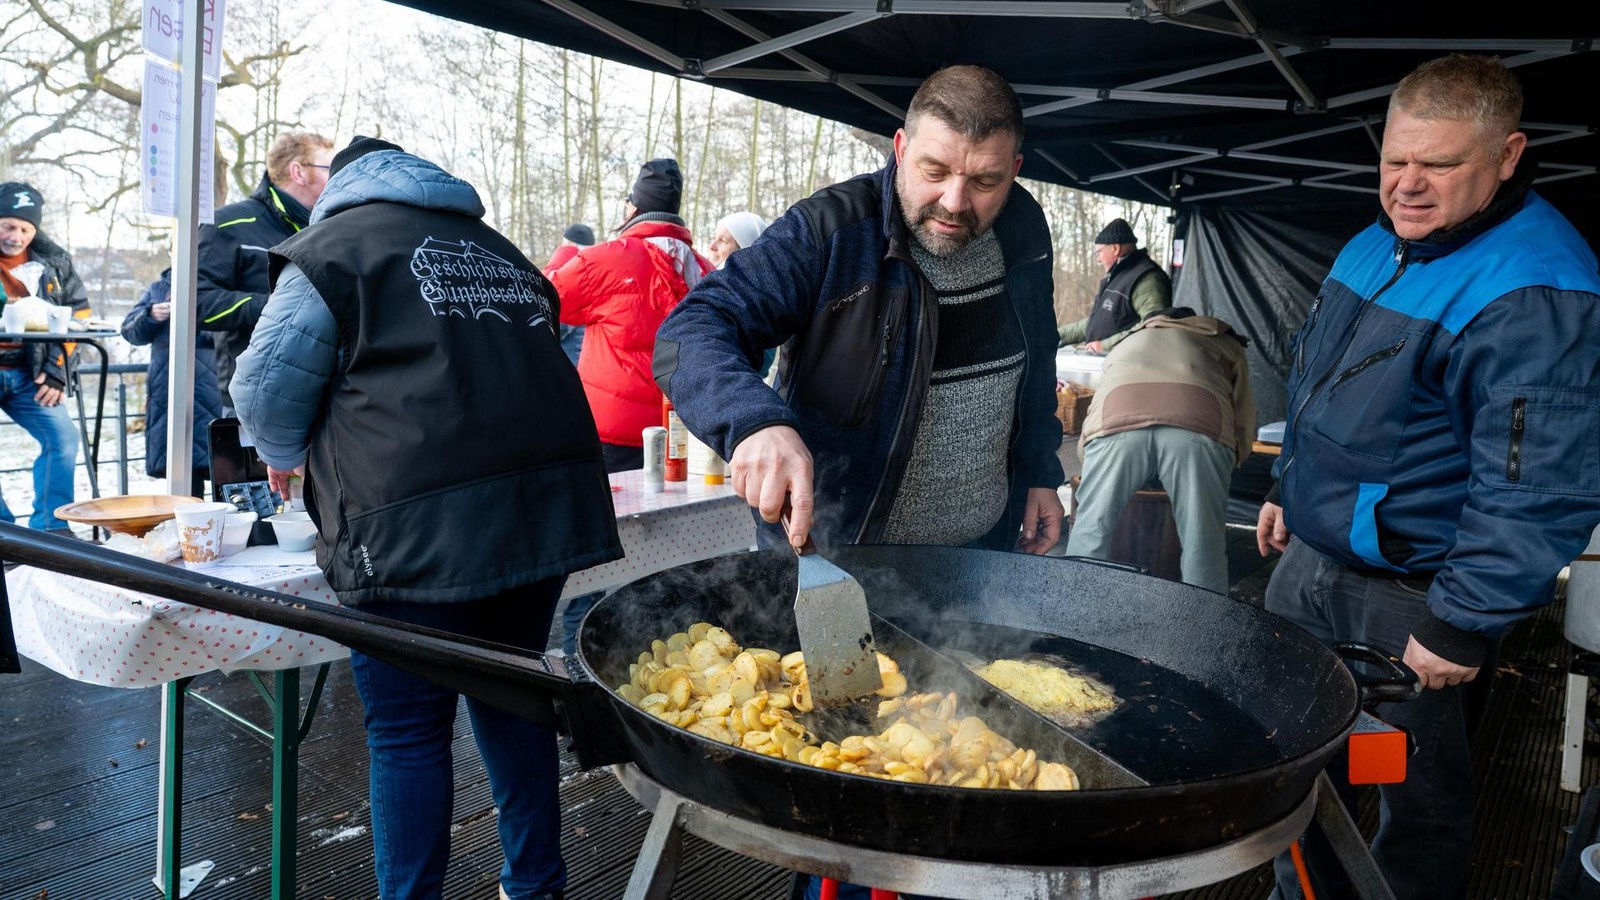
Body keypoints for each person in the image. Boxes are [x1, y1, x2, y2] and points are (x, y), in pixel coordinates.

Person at [232, 136, 622, 900]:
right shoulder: (499, 250)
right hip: (538, 514)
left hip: (405, 528)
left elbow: (264, 391)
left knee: (408, 732)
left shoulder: (333, 248)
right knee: (515, 700)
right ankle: (537, 886)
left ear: (343, 186)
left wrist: (285, 451)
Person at [1255, 54, 1600, 900]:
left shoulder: (1539, 285)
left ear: (1508, 155)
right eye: (1394, 160)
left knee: (1413, 797)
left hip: (1414, 595)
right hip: (1313, 564)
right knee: (1288, 762)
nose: (1407, 185)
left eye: (1439, 165)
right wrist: (1286, 489)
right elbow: (1318, 384)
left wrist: (1463, 619)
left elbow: (1539, 480)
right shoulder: (1379, 243)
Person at [1063, 307, 1254, 594]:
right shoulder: (1224, 342)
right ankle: (1204, 629)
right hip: (1198, 429)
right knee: (1202, 543)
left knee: (1091, 531)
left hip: (1116, 426)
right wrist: (1233, 460)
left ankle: (1069, 617)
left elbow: (1097, 411)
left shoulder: (1126, 343)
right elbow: (1244, 415)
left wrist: (1088, 464)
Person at [547, 158, 712, 472]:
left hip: (612, 434)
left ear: (633, 208)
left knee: (614, 519)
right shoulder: (705, 270)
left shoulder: (604, 259)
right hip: (684, 430)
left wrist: (567, 253)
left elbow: (548, 297)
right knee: (676, 518)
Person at [197, 131, 333, 412]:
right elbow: (197, 304)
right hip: (255, 398)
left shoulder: (331, 230)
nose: (338, 177)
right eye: (329, 168)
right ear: (298, 172)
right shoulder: (228, 223)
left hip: (327, 397)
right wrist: (274, 306)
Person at [0, 181, 88, 533]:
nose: (16, 236)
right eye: (7, 225)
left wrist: (56, 371)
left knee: (63, 438)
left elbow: (78, 315)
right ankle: (6, 535)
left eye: (25, 228)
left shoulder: (53, 260)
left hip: (29, 373)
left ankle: (51, 533)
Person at [120, 268, 223, 498]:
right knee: (181, 470)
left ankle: (229, 527)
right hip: (169, 389)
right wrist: (150, 315)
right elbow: (129, 331)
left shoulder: (220, 282)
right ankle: (189, 528)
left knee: (223, 464)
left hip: (214, 385)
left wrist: (197, 320)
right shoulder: (159, 288)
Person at [1055, 217, 1171, 353]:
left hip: (1124, 367)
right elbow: (1095, 322)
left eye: (1099, 252)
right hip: (1108, 363)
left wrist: (1105, 346)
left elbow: (1154, 326)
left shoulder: (1146, 278)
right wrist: (1056, 335)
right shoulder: (1119, 277)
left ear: (1115, 248)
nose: (1098, 259)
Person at [543, 223, 594, 367]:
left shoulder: (553, 264)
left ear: (567, 241)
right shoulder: (589, 261)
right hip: (578, 318)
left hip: (552, 316)